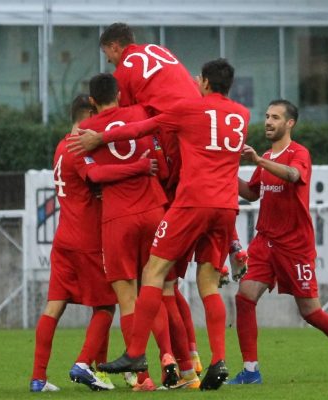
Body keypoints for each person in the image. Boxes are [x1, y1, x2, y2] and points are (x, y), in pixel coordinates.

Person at [70, 58, 251, 391]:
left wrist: (98, 139)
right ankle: (219, 359)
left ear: (207, 83)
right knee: (208, 284)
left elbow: (141, 129)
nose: (195, 81)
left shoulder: (189, 109)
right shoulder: (242, 115)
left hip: (191, 203)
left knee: (153, 273)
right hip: (226, 207)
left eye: (199, 77)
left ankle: (136, 354)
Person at [227, 99, 328, 385]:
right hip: (265, 242)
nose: (269, 122)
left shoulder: (299, 153)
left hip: (294, 246)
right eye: (267, 116)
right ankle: (250, 370)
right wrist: (223, 171)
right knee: (244, 297)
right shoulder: (267, 155)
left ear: (290, 123)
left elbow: (294, 175)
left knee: (311, 312)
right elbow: (251, 193)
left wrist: (259, 161)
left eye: (275, 117)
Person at [98, 22, 205, 378]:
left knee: (149, 285)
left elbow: (129, 122)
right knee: (170, 283)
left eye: (108, 54)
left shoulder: (125, 72)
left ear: (115, 47)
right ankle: (188, 362)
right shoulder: (159, 50)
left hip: (131, 210)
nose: (110, 63)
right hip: (197, 131)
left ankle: (146, 367)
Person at [30, 95, 155, 393]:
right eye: (97, 115)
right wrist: (139, 167)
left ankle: (38, 377)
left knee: (54, 307)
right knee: (107, 305)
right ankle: (84, 364)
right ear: (88, 114)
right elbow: (95, 173)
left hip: (64, 238)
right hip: (86, 238)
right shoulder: (78, 147)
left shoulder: (62, 146)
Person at [79, 73, 185, 391]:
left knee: (128, 300)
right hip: (153, 210)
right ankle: (169, 358)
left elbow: (92, 175)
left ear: (93, 101)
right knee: (156, 291)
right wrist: (143, 169)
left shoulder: (86, 131)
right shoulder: (141, 114)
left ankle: (143, 378)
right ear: (119, 93)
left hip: (118, 218)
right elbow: (163, 168)